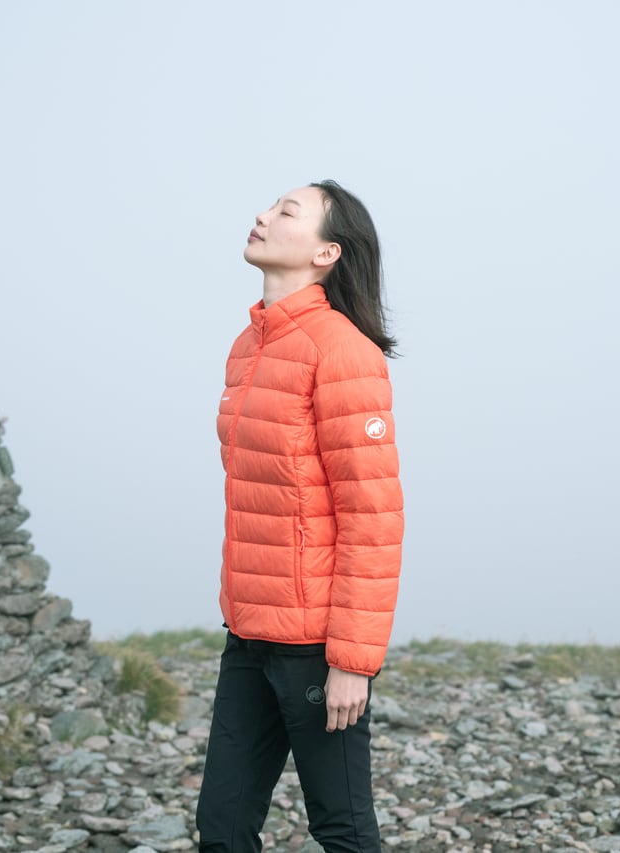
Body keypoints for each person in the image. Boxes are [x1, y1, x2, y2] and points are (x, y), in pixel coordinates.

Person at [196, 181, 404, 853]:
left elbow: (372, 516)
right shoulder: (249, 345)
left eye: (286, 211)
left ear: (325, 253)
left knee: (342, 831)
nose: (262, 214)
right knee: (223, 832)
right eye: (269, 206)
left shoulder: (343, 353)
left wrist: (352, 661)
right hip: (249, 633)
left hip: (315, 646)